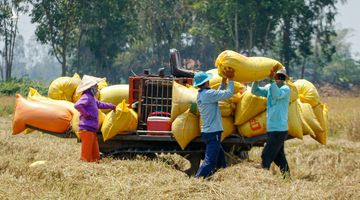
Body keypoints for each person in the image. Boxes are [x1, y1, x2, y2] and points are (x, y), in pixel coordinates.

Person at [194, 68, 235, 178]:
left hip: (208, 132)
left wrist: (223, 82)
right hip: (213, 132)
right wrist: (231, 79)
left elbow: (217, 94)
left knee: (220, 158)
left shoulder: (202, 94)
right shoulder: (208, 94)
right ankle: (197, 180)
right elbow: (229, 93)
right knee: (210, 162)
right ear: (206, 82)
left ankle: (223, 175)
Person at [251, 68, 291, 176]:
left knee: (266, 154)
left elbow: (276, 95)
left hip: (280, 129)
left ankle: (263, 176)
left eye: (281, 77)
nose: (279, 79)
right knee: (278, 156)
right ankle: (287, 176)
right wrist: (256, 80)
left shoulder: (286, 89)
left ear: (283, 79)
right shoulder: (270, 88)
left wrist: (272, 81)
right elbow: (255, 91)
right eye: (277, 76)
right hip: (271, 128)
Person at [74, 75, 116, 162]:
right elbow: (77, 105)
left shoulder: (92, 98)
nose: (97, 88)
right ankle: (85, 168)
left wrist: (112, 106)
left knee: (96, 156)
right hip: (86, 130)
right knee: (86, 156)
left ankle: (93, 165)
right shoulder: (86, 96)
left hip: (92, 130)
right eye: (96, 86)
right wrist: (86, 114)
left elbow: (101, 104)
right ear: (91, 88)